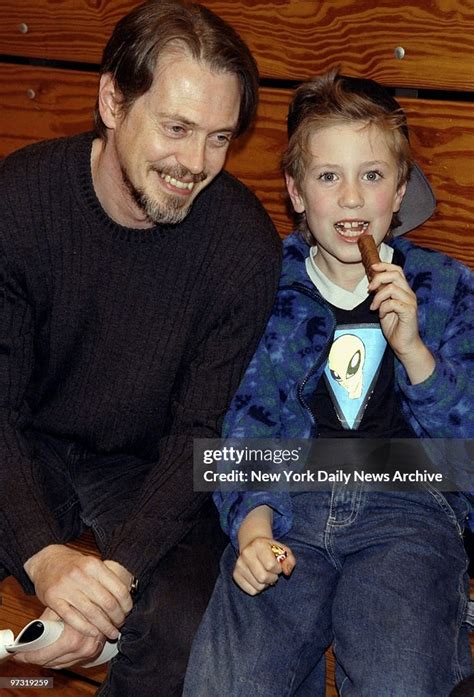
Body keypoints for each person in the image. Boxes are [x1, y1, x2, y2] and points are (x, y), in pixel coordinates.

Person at [0, 1, 281, 694]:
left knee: (192, 618)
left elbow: (199, 435)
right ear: (112, 100)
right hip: (22, 436)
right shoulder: (21, 200)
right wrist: (42, 554)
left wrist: (114, 577)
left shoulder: (243, 247)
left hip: (149, 463)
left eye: (219, 138)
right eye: (178, 128)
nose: (196, 163)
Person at [183, 69, 474, 696]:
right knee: (231, 680)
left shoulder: (447, 288)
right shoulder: (267, 284)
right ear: (294, 190)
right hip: (289, 506)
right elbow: (245, 417)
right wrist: (253, 526)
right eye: (327, 176)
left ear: (399, 190)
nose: (349, 199)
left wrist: (416, 355)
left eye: (371, 176)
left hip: (410, 507)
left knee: (402, 676)